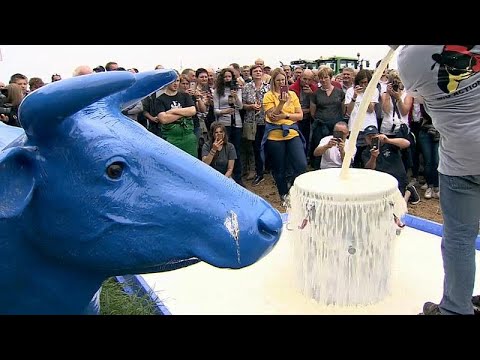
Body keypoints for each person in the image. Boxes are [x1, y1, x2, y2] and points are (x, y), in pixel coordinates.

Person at [397, 45, 480, 315]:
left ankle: (456, 308)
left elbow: (418, 99)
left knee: (459, 239)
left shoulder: (409, 59)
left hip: (460, 159)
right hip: (459, 161)